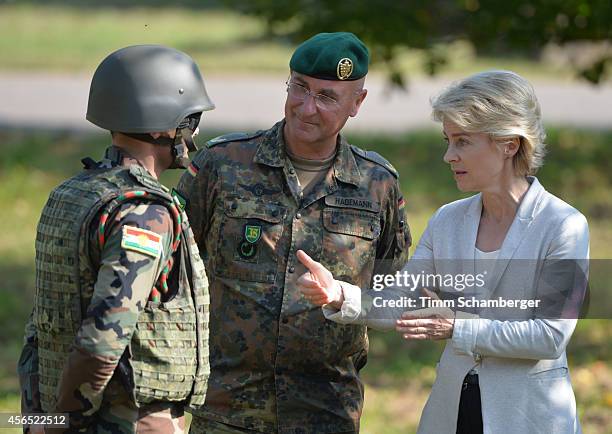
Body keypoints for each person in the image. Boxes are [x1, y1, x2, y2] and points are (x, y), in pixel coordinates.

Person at [297, 70, 589, 434]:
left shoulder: (564, 225)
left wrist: (456, 326)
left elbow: (549, 336)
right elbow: (403, 301)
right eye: (448, 140)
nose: (449, 155)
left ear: (509, 143)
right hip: (451, 413)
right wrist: (340, 294)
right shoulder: (448, 220)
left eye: (463, 141)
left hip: (531, 418)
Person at [176, 32, 411, 433]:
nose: (306, 107)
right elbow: (172, 271)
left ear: (357, 102)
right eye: (299, 88)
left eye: (327, 96)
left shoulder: (377, 185)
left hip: (326, 409)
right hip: (225, 407)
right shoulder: (223, 164)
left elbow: (392, 288)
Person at [17, 45, 214, 433]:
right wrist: (64, 421)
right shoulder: (145, 213)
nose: (192, 131)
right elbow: (103, 338)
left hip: (49, 407)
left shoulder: (72, 193)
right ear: (161, 127)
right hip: (119, 420)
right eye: (189, 119)